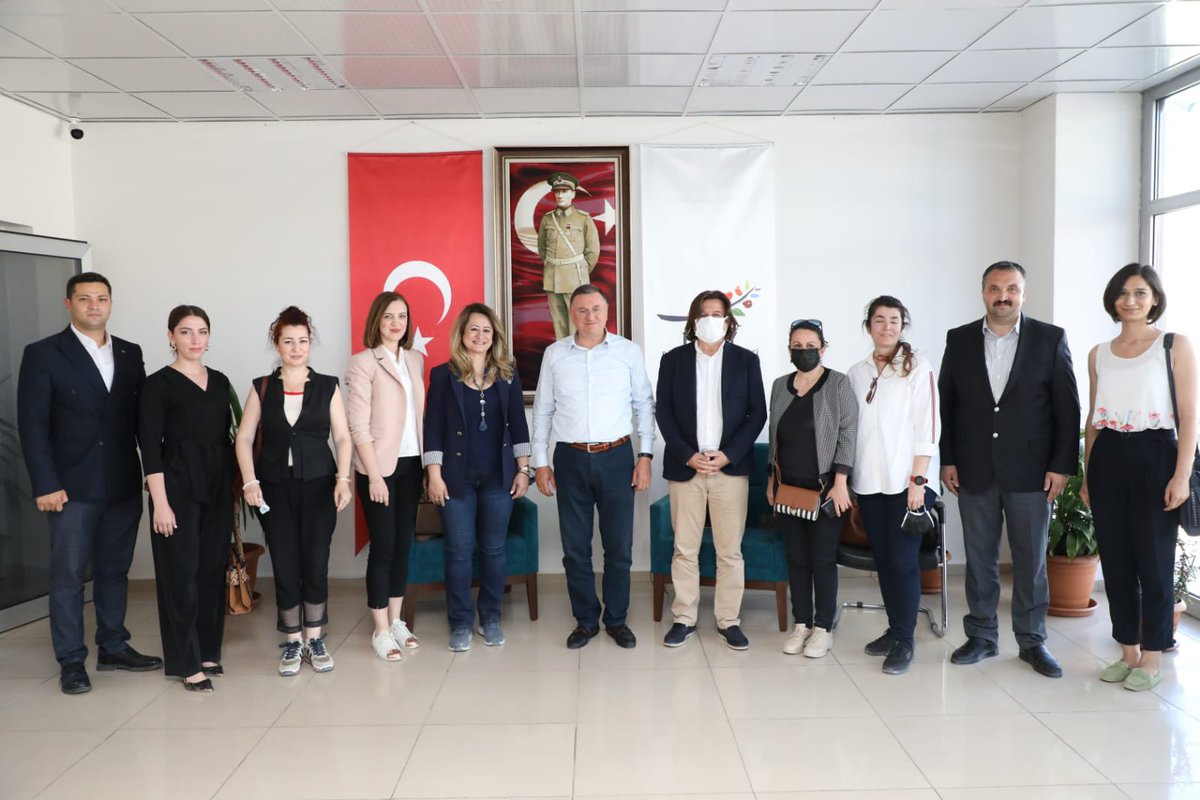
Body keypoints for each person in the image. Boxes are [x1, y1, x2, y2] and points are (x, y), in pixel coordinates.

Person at [17, 272, 162, 695]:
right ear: (69, 304)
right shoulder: (44, 354)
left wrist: (154, 476)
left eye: (101, 298)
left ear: (111, 303)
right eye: (84, 299)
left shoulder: (130, 353)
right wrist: (45, 483)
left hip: (121, 483)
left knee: (115, 570)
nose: (94, 305)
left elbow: (142, 421)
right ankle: (71, 660)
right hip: (70, 488)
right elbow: (33, 426)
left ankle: (113, 646)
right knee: (68, 577)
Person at [939, 261, 1080, 679]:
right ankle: (982, 636)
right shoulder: (959, 339)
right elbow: (947, 403)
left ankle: (1032, 640)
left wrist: (1061, 466)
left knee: (1031, 560)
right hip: (974, 467)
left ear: (1023, 293)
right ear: (983, 292)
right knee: (980, 558)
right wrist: (948, 458)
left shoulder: (1050, 339)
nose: (1003, 296)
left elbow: (1067, 407)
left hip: (1033, 472)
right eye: (995, 288)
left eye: (1012, 288)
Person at [1081, 264, 1196, 692]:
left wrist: (1181, 474)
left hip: (1156, 452)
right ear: (1112, 300)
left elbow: (1190, 416)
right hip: (1108, 454)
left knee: (1154, 559)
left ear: (1155, 299)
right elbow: (1093, 418)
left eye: (1140, 292)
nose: (1130, 300)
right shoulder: (1099, 353)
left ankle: (1153, 654)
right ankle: (1127, 650)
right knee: (1115, 559)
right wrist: (1088, 476)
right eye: (1123, 293)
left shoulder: (1173, 345)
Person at [532, 285, 654, 649]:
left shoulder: (628, 352)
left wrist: (645, 456)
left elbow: (644, 405)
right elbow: (543, 411)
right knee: (575, 548)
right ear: (572, 314)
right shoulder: (555, 354)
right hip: (569, 459)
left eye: (596, 309)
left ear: (606, 311)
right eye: (582, 310)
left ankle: (616, 619)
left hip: (617, 458)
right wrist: (541, 463)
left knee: (619, 547)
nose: (590, 316)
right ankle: (585, 620)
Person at [234, 307, 353, 676]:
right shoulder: (261, 387)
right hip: (274, 487)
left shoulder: (328, 386)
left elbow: (343, 437)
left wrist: (343, 479)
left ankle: (314, 638)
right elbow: (244, 438)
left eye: (302, 341)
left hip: (320, 485)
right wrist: (250, 482)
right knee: (285, 562)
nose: (296, 348)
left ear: (310, 343)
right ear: (277, 344)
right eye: (288, 341)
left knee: (315, 560)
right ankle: (291, 641)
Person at [655, 290, 766, 650]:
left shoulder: (746, 360)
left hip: (728, 470)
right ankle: (684, 617)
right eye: (704, 314)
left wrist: (728, 455)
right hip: (686, 467)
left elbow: (757, 414)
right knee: (684, 548)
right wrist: (688, 455)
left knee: (729, 551)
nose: (710, 320)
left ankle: (728, 620)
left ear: (728, 320)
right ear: (693, 320)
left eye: (717, 314)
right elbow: (664, 413)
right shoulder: (673, 360)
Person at [424, 303, 532, 652]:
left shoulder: (507, 374)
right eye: (474, 329)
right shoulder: (443, 375)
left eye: (487, 330)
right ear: (462, 333)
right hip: (456, 480)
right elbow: (432, 427)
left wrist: (523, 469)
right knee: (458, 551)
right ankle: (459, 623)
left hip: (499, 479)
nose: (480, 336)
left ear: (494, 336)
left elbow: (519, 425)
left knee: (494, 549)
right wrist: (434, 475)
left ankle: (491, 618)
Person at [140, 305, 233, 692]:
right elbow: (150, 447)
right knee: (181, 574)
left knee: (211, 568)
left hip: (218, 485)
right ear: (171, 337)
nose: (195, 340)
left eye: (202, 332)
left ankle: (208, 651)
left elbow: (226, 437)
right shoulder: (157, 385)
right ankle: (186, 661)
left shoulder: (221, 380)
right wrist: (161, 503)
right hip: (176, 487)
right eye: (186, 331)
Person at [848, 296, 939, 675]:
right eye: (880, 320)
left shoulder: (917, 367)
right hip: (870, 482)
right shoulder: (856, 372)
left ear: (903, 326)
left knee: (902, 563)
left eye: (894, 320)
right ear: (868, 326)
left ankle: (905, 640)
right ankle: (894, 629)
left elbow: (928, 426)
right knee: (884, 562)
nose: (887, 327)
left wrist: (918, 480)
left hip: (908, 483)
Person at [768, 319, 857, 658]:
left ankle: (823, 629)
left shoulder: (838, 384)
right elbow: (775, 438)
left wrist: (841, 481)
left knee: (822, 560)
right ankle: (802, 623)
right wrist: (771, 481)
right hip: (788, 489)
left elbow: (848, 434)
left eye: (810, 346)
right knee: (796, 559)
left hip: (826, 489)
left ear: (823, 349)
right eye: (797, 346)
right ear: (789, 349)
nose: (803, 351)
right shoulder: (779, 386)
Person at [346, 291, 425, 661]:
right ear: (377, 320)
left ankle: (396, 621)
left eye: (402, 316)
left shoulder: (415, 359)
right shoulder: (363, 363)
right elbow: (357, 426)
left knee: (403, 545)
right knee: (383, 546)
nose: (396, 323)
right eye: (389, 316)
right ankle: (379, 629)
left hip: (411, 464)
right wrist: (374, 476)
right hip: (378, 468)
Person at [538, 171, 600, 340]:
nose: (560, 195)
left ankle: (576, 352)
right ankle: (562, 353)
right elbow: (542, 248)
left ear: (573, 193)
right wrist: (554, 265)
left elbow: (593, 251)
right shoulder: (547, 219)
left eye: (564, 191)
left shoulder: (583, 219)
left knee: (577, 322)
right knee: (558, 323)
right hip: (552, 278)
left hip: (575, 278)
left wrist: (579, 269)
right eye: (557, 192)